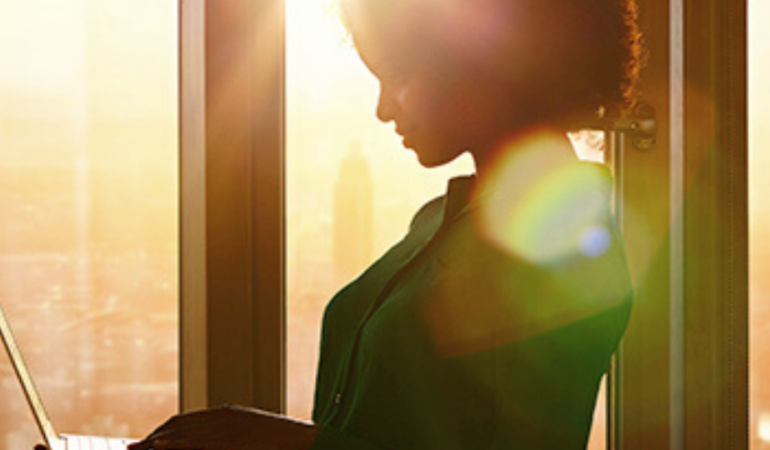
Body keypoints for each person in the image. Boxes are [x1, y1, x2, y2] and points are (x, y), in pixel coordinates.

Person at [130, 0, 642, 448]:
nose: (382, 109)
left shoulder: (566, 250)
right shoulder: (441, 221)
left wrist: (288, 444)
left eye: (395, 75)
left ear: (482, 61)